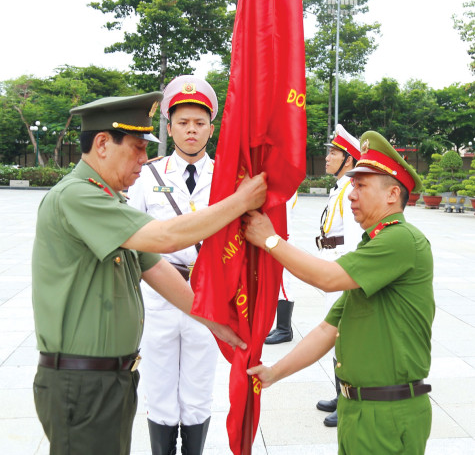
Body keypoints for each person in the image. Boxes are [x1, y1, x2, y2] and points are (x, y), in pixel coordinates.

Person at [31, 91, 267, 455]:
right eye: (138, 147)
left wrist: (215, 322)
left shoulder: (108, 198)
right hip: (80, 381)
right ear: (103, 144)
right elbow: (165, 237)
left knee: (194, 395)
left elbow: (154, 266)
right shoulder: (78, 196)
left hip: (110, 378)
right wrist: (239, 202)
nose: (145, 159)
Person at [244, 130, 434, 454]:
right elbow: (326, 330)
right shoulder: (374, 246)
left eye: (361, 186)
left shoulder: (401, 240)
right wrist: (274, 373)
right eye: (352, 185)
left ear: (392, 194)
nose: (351, 195)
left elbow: (328, 277)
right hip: (358, 410)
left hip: (387, 413)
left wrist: (271, 240)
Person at [127, 76, 219, 454]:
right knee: (160, 388)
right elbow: (132, 237)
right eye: (183, 123)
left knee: (198, 389)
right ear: (170, 127)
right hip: (160, 292)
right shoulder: (148, 177)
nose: (192, 130)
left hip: (208, 294)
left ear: (211, 128)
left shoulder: (227, 178)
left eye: (199, 123)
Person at [315, 124, 361, 427]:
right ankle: (338, 392)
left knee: (344, 335)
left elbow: (356, 240)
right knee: (337, 334)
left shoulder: (350, 192)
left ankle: (347, 399)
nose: (328, 158)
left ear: (349, 159)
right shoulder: (341, 188)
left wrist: (346, 276)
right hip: (332, 264)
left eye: (334, 153)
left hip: (342, 268)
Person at [265, 193, 297, 345]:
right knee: (279, 283)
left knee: (284, 283)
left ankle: (284, 329)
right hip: (278, 234)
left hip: (282, 235)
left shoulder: (285, 184)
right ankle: (281, 327)